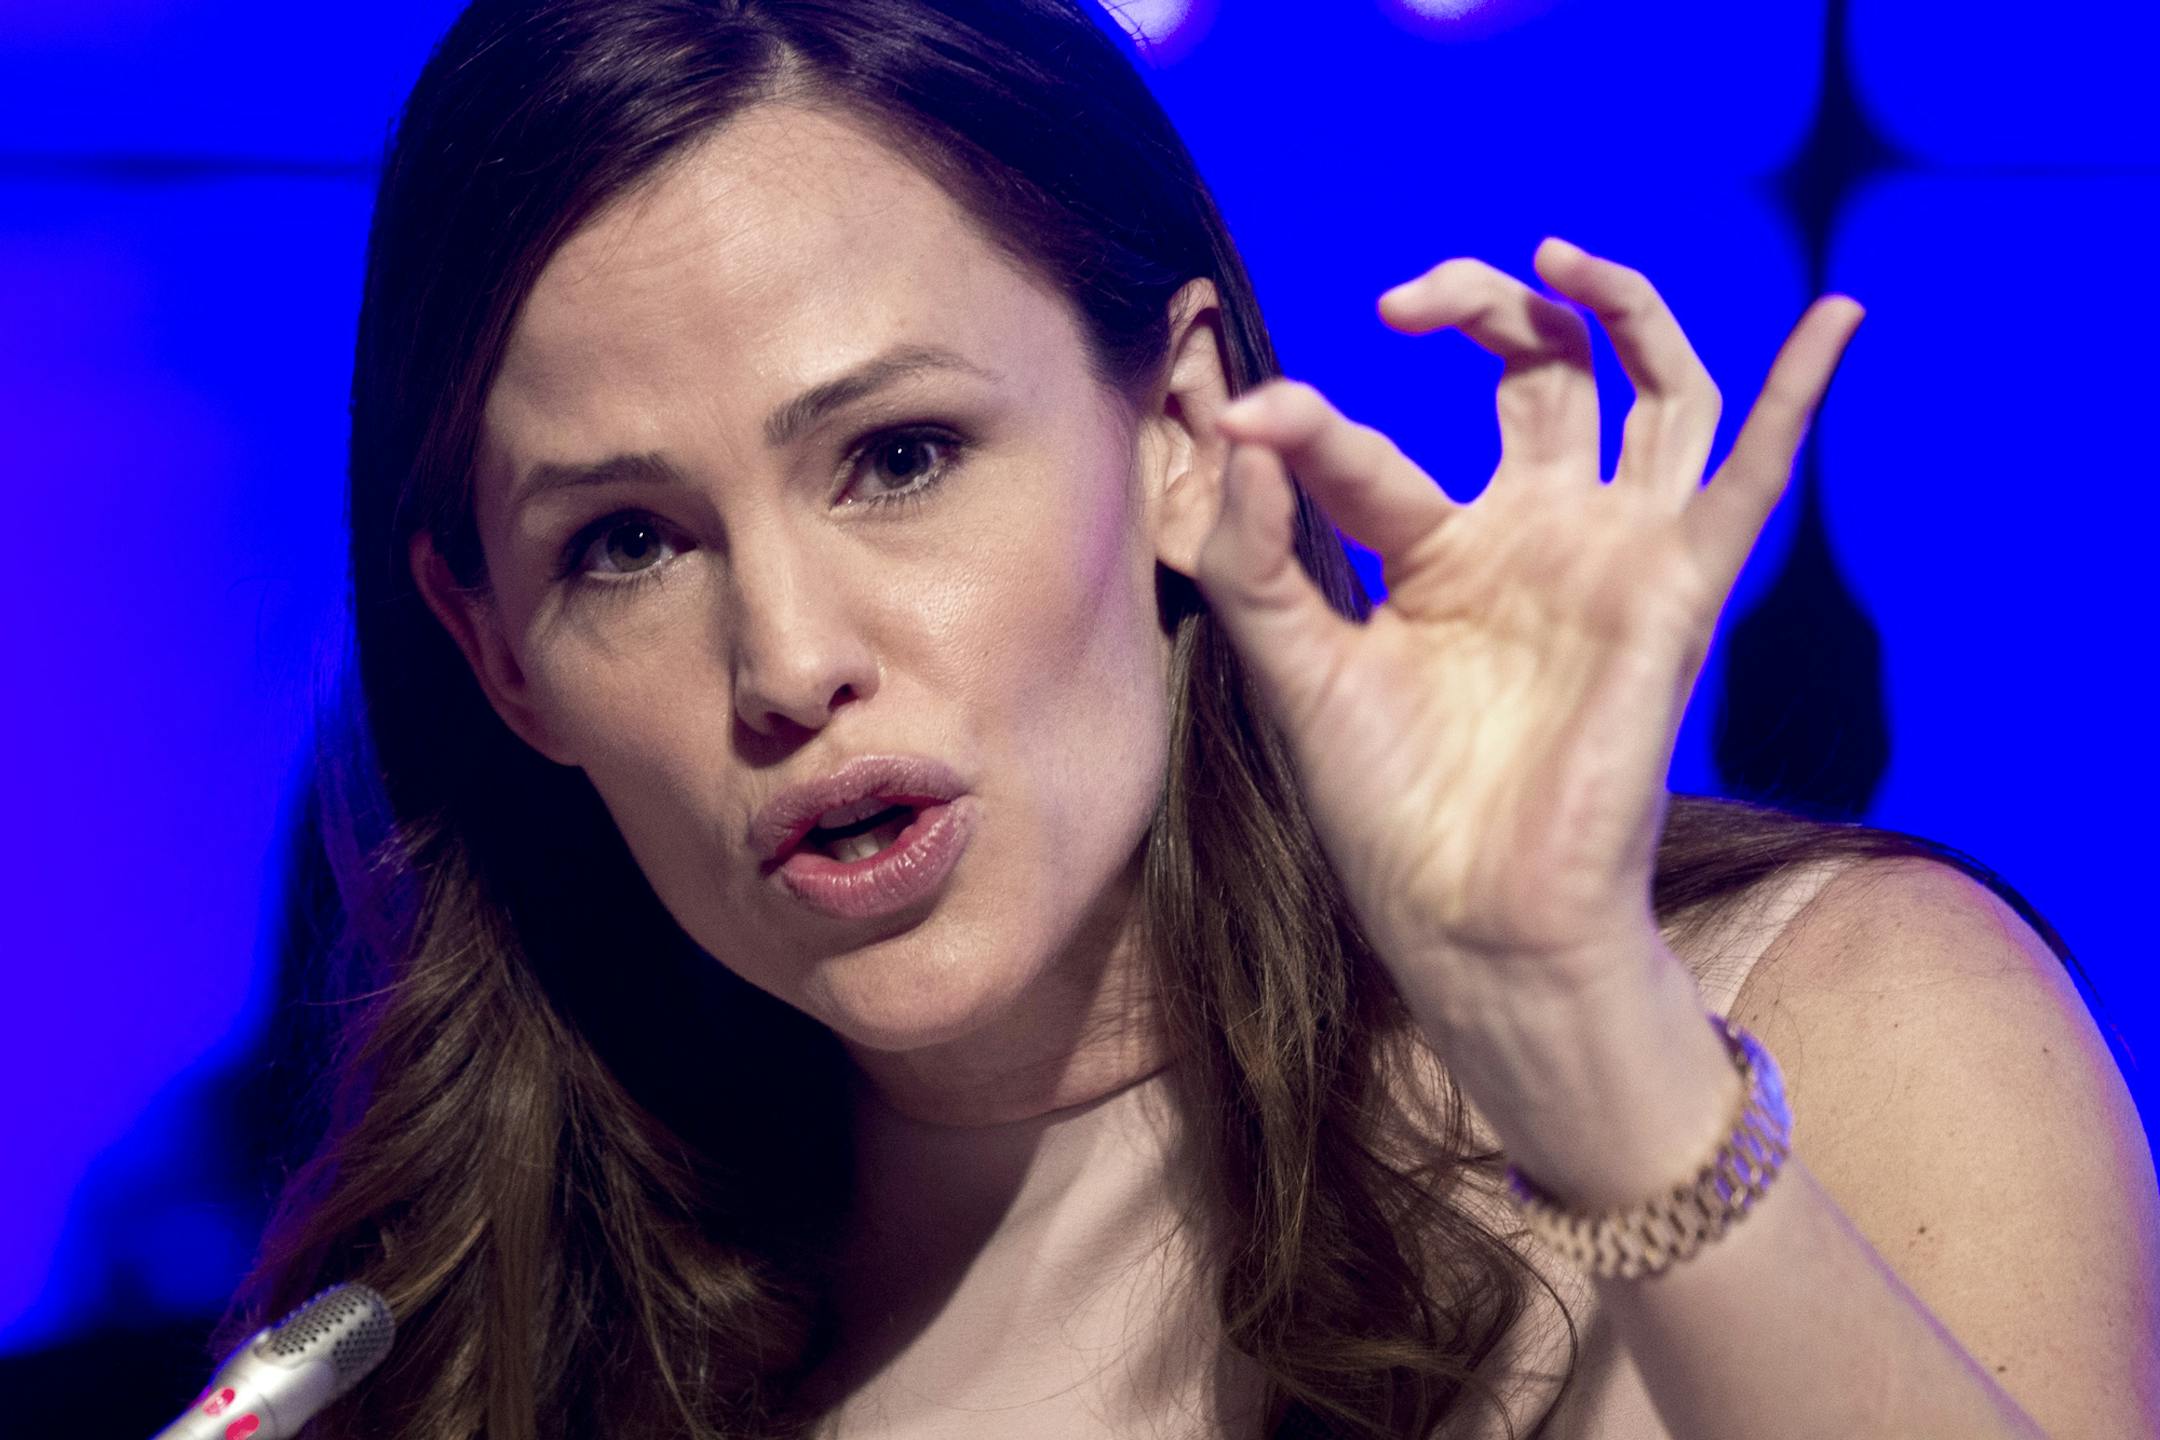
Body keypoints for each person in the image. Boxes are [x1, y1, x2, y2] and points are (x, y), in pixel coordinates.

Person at [220, 1, 2158, 1435]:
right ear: (494, 659)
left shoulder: (1838, 1011)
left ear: (1175, 431)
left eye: (897, 455)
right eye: (627, 544)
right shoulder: (475, 1366)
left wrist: (1587, 1042)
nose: (788, 659)